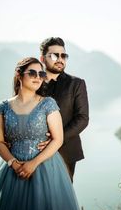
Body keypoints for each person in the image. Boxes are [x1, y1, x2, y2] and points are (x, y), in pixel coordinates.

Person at [0, 57, 86, 210]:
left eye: (41, 73)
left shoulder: (48, 104)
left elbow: (57, 140)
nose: (38, 77)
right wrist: (14, 163)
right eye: (32, 73)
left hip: (45, 170)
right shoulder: (3, 107)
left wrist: (33, 164)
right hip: (12, 171)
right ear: (19, 75)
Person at [38, 37, 89, 181]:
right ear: (42, 58)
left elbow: (83, 118)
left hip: (65, 152)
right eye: (54, 55)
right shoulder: (34, 82)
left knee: (60, 200)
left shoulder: (76, 84)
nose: (60, 59)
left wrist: (56, 139)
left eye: (63, 55)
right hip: (33, 150)